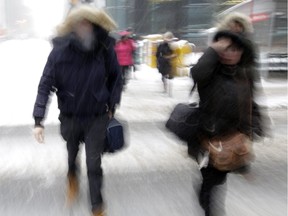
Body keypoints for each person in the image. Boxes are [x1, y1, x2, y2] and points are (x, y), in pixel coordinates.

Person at [32, 5, 122, 216]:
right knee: (72, 155)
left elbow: (116, 78)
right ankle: (72, 178)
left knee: (93, 163)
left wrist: (112, 105)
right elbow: (45, 85)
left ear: (94, 24)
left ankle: (97, 207)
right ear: (72, 26)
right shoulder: (59, 51)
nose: (84, 26)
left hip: (97, 116)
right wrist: (38, 120)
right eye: (79, 22)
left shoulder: (104, 47)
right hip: (70, 116)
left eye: (88, 22)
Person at [189, 29, 266, 216]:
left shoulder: (244, 75)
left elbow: (251, 103)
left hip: (232, 137)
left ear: (242, 52)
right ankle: (210, 208)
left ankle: (207, 201)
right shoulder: (209, 74)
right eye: (226, 49)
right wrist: (213, 50)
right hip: (208, 136)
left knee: (217, 179)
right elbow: (197, 73)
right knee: (212, 181)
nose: (230, 53)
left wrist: (256, 125)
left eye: (235, 49)